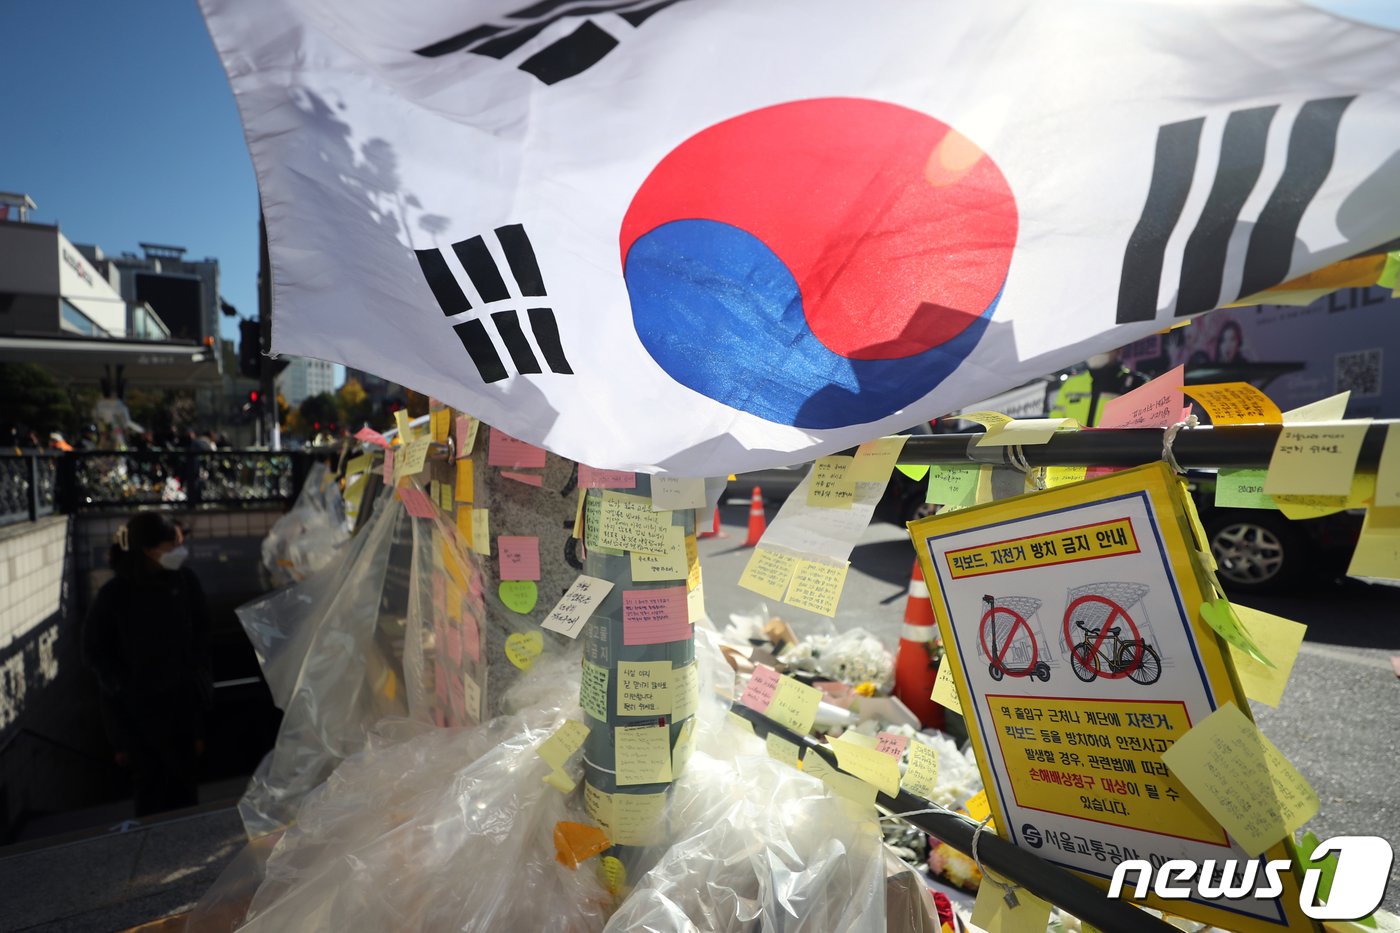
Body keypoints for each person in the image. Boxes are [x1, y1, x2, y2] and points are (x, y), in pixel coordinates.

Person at [82, 512, 212, 816]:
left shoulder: (184, 583)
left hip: (181, 706)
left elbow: (202, 640)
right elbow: (96, 654)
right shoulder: (115, 595)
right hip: (138, 713)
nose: (180, 552)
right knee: (150, 789)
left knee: (185, 790)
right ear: (148, 550)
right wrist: (123, 699)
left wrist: (200, 704)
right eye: (172, 546)